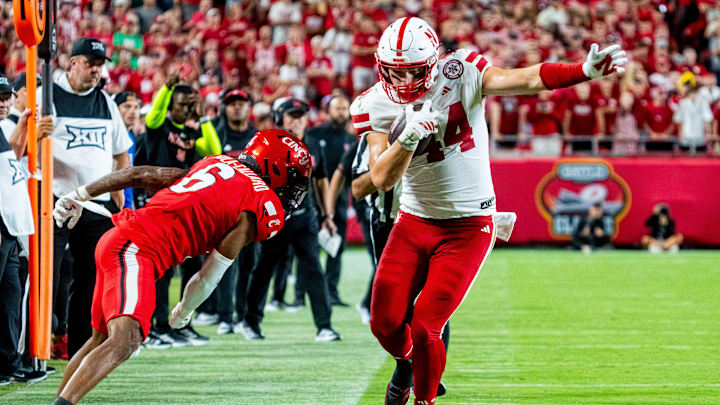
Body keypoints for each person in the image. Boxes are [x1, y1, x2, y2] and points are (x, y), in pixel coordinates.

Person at [350, 17, 626, 404]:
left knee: (428, 326)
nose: (403, 80)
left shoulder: (459, 71)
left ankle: (424, 399)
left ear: (432, 61)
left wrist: (583, 71)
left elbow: (525, 79)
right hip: (412, 221)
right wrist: (409, 137)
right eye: (395, 71)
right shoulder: (372, 102)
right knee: (384, 323)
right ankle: (409, 364)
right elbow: (380, 178)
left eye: (413, 70)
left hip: (466, 225)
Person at [51, 129, 312, 405]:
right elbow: (210, 276)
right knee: (125, 340)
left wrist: (81, 193)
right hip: (137, 250)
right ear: (275, 166)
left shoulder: (216, 163)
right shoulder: (258, 205)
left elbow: (142, 174)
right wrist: (184, 311)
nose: (291, 191)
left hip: (118, 241)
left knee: (100, 339)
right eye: (292, 178)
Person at [42, 38, 134, 358]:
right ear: (73, 64)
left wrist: (119, 190)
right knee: (47, 275)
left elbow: (121, 153)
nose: (96, 70)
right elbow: (32, 149)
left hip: (98, 203)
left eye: (100, 64)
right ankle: (37, 345)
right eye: (90, 63)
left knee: (92, 278)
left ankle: (79, 348)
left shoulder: (106, 102)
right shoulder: (47, 98)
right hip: (55, 199)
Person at [237, 98, 341, 342]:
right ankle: (250, 321)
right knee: (264, 269)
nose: (298, 120)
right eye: (292, 116)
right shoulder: (268, 144)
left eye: (301, 115)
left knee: (313, 269)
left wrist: (328, 214)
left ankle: (324, 326)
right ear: (280, 119)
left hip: (306, 219)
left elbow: (321, 179)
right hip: (275, 220)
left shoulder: (313, 144)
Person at [142, 71, 222, 346]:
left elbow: (214, 151)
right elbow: (153, 116)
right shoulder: (158, 128)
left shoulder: (190, 131)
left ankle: (180, 324)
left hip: (184, 209)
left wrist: (201, 118)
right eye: (182, 104)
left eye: (189, 104)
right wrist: (167, 88)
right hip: (158, 208)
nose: (185, 108)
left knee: (193, 266)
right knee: (162, 272)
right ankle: (158, 326)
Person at [0, 74, 53, 385]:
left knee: (10, 297)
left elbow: (12, 161)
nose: (4, 103)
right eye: (0, 98)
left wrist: (27, 128)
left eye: (6, 98)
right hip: (3, 222)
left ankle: (7, 364)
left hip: (11, 226)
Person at [307, 95, 355, 306]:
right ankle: (303, 295)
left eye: (345, 108)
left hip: (340, 201)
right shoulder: (314, 135)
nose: (342, 112)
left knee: (337, 248)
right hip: (314, 199)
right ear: (328, 112)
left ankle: (331, 293)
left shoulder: (351, 140)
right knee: (308, 249)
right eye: (338, 108)